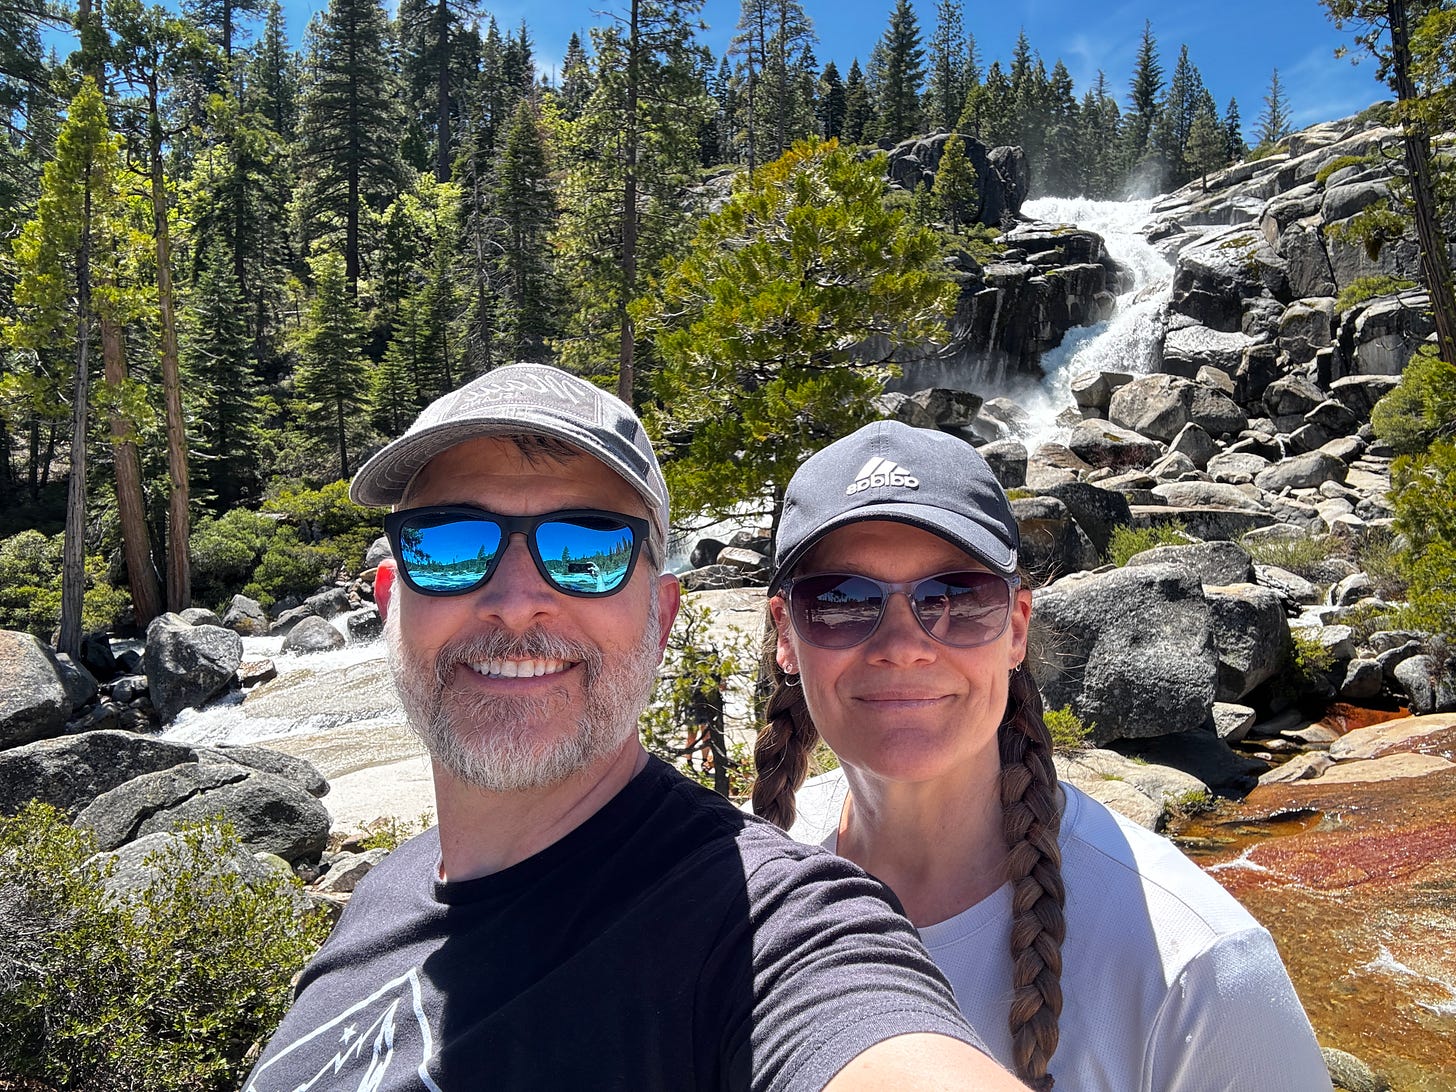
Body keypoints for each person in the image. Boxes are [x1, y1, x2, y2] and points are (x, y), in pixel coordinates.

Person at [243, 365, 1028, 1092]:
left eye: (587, 549)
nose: (517, 601)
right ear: (389, 600)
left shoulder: (766, 929)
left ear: (661, 615)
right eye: (452, 544)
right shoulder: (383, 893)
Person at [752, 419, 1333, 1092]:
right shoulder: (734, 883)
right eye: (842, 601)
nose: (904, 645)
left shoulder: (1199, 969)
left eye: (957, 597)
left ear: (1017, 629)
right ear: (786, 636)